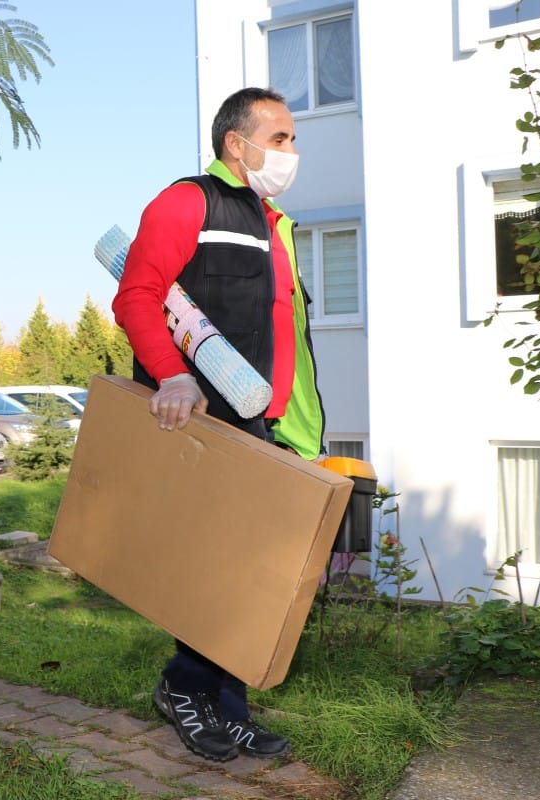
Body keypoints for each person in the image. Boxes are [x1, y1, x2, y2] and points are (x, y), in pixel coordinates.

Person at [111, 87, 326, 762]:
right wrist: (171, 374)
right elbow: (137, 296)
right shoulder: (187, 202)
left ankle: (227, 705)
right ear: (238, 142)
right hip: (196, 420)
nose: (291, 150)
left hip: (260, 424)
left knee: (251, 571)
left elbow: (283, 331)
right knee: (213, 569)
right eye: (282, 137)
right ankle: (186, 690)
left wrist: (294, 425)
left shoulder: (272, 222)